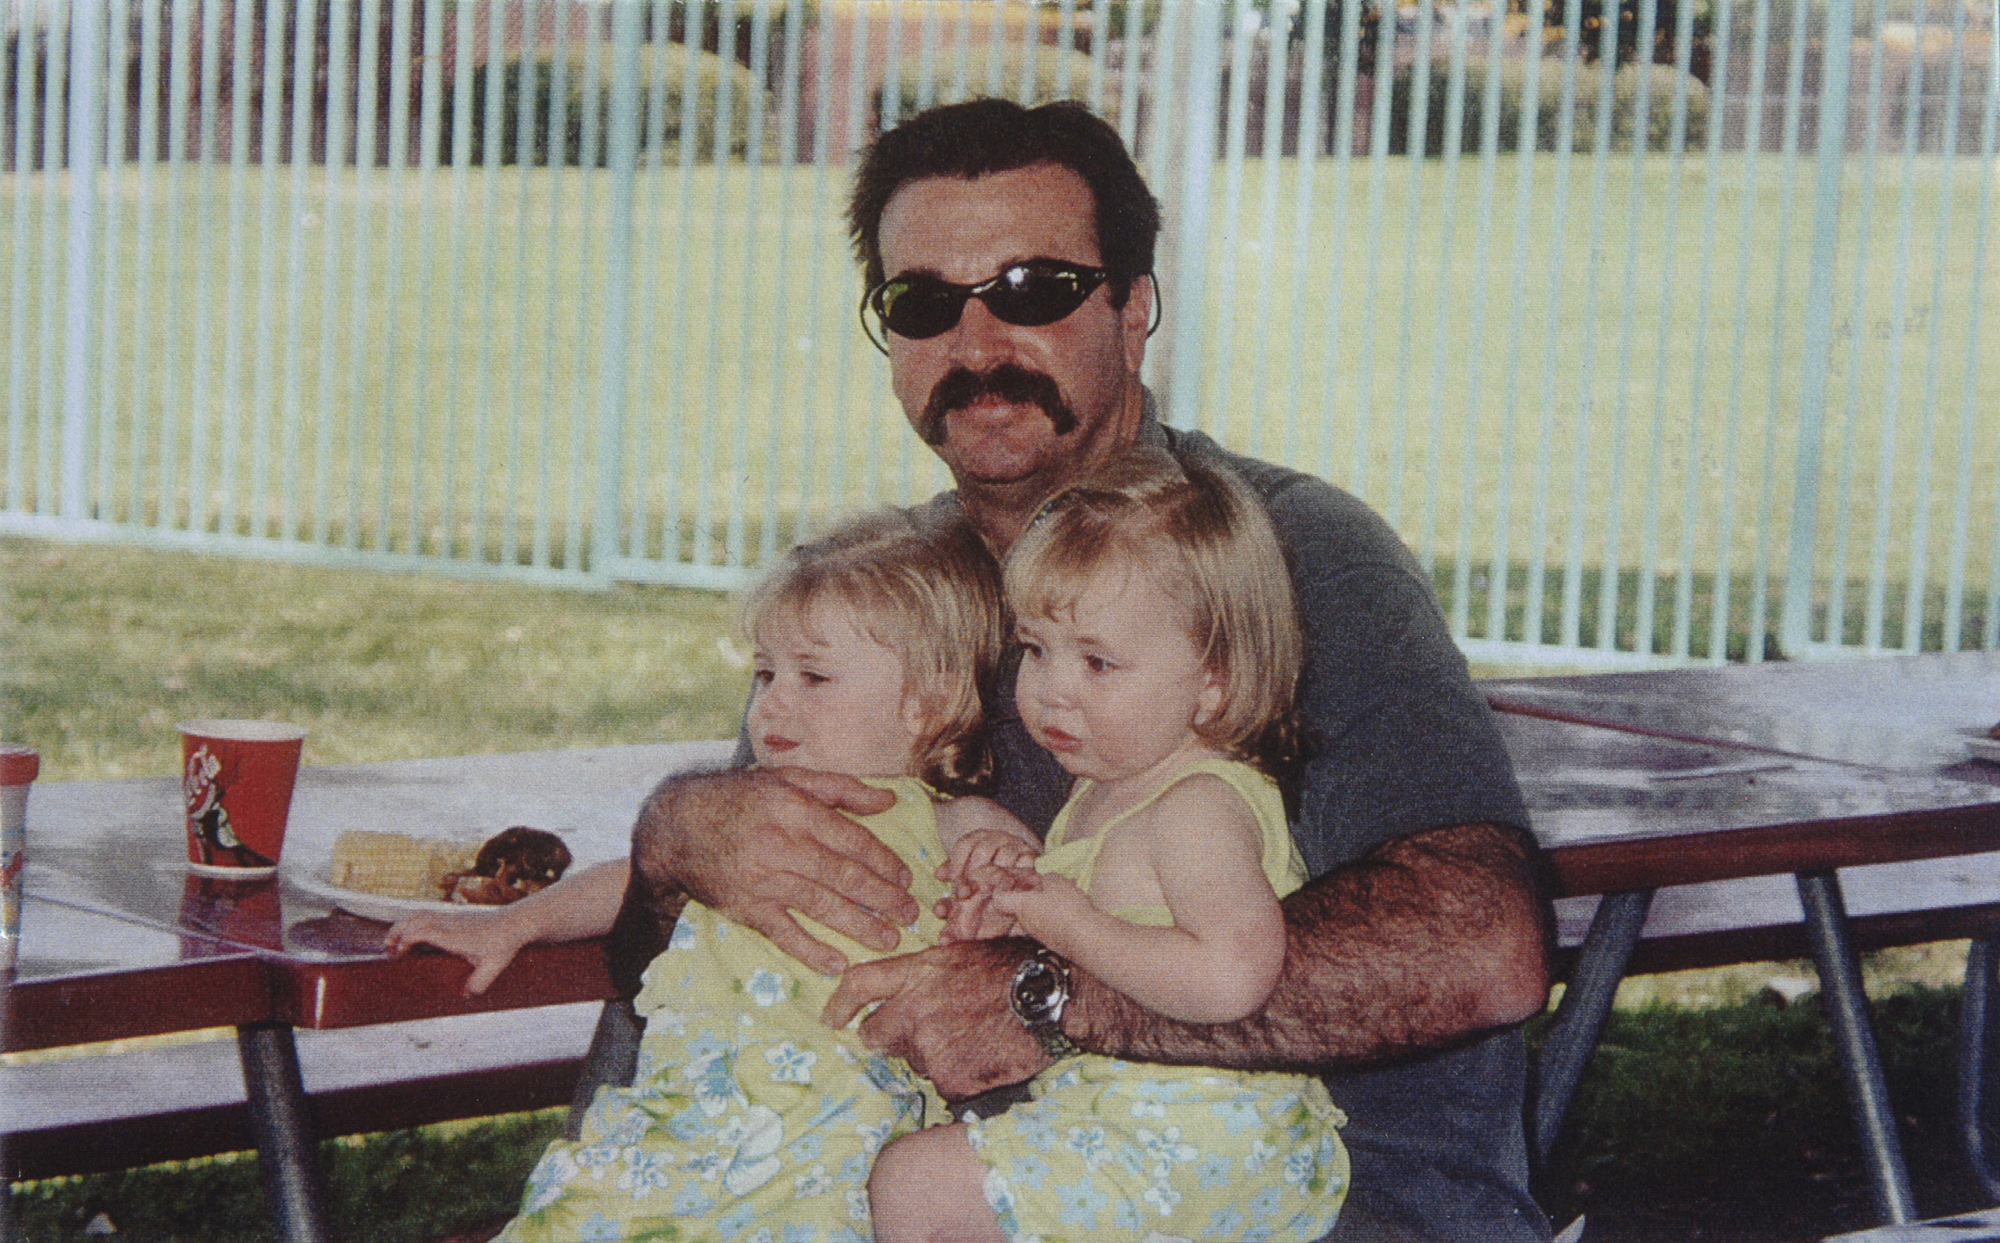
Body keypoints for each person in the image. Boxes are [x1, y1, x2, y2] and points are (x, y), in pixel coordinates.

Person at [411, 97, 1553, 1242]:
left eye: (1034, 290)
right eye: (922, 304)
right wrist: (679, 845)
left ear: (1135, 308)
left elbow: (1481, 943)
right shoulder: (886, 596)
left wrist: (1046, 1000)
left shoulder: (1281, 557)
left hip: (1308, 1203)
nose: (975, 345)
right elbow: (704, 970)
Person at [406, 508, 1038, 1242]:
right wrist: (512, 922)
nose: (772, 703)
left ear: (925, 700)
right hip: (683, 1116)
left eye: (814, 675)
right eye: (766, 673)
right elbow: (625, 878)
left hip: (826, 1136)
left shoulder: (954, 822)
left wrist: (1002, 890)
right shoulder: (752, 810)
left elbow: (1042, 907)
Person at [869, 446, 1348, 1243]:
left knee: (913, 1184)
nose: (1052, 687)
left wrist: (1068, 926)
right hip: (1145, 1117)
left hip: (1202, 1136)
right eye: (1035, 649)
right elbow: (1115, 934)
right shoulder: (1105, 792)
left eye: (1097, 660)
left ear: (1214, 678)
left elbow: (1236, 972)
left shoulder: (1197, 806)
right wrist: (1012, 900)